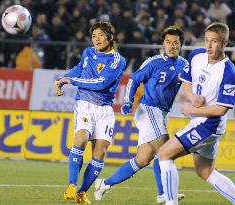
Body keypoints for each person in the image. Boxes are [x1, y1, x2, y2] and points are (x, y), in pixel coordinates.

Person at [94, 26, 188, 204]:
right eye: (168, 42)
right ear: (163, 43)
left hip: (162, 113)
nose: (172, 46)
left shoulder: (184, 64)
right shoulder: (154, 62)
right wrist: (128, 101)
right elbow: (134, 80)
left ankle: (104, 184)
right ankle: (163, 193)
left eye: (176, 43)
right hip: (149, 110)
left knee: (143, 159)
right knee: (166, 151)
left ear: (181, 45)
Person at [158, 22, 235, 205]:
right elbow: (186, 80)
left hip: (209, 124)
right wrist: (192, 97)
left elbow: (221, 109)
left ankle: (171, 203)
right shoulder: (196, 55)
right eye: (206, 40)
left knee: (164, 154)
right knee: (205, 171)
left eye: (214, 41)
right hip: (200, 121)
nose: (208, 45)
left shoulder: (229, 71)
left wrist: (192, 109)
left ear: (224, 44)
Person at [54, 21, 126, 205]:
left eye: (101, 35)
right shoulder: (88, 53)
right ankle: (71, 185)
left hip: (104, 110)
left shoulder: (117, 59)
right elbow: (80, 68)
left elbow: (102, 83)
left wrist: (72, 81)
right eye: (94, 36)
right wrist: (63, 78)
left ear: (109, 37)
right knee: (81, 139)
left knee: (99, 153)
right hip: (84, 104)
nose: (97, 39)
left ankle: (81, 192)